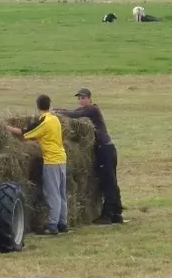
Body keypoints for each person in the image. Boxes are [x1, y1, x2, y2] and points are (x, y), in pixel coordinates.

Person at [52, 88, 124, 225]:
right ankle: (117, 212)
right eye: (79, 98)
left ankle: (108, 216)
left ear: (90, 99)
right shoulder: (85, 111)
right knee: (110, 180)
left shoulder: (92, 110)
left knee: (109, 182)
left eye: (83, 98)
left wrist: (55, 113)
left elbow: (73, 114)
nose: (81, 100)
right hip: (105, 148)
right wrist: (55, 109)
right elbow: (73, 112)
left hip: (105, 149)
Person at [6, 94, 68, 235]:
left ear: (38, 106)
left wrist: (7, 129)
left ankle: (53, 225)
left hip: (51, 160)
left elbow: (24, 133)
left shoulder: (44, 122)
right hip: (62, 158)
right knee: (61, 193)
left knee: (52, 193)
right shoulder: (55, 119)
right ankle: (63, 223)